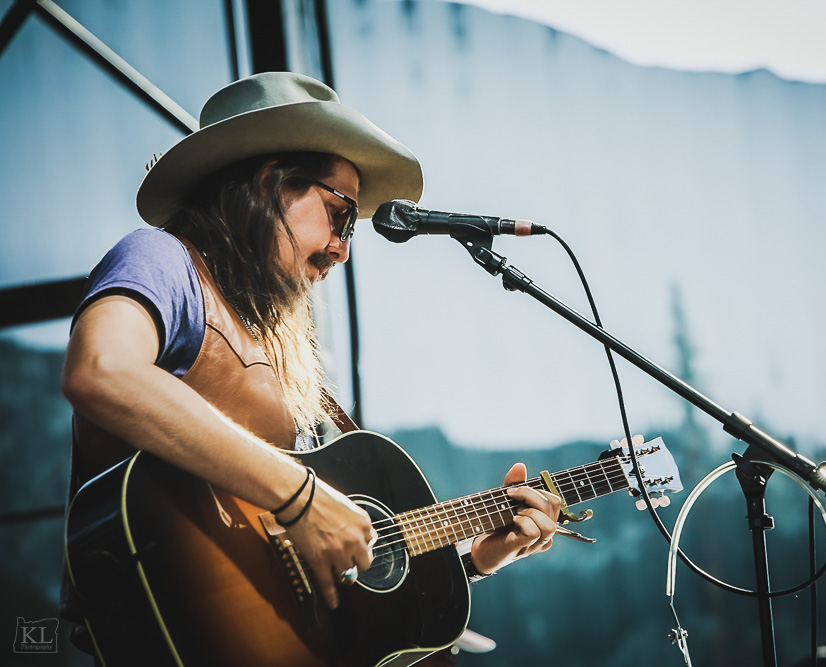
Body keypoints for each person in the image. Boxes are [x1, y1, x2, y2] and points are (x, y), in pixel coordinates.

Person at [61, 71, 561, 655]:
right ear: (272, 183)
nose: (343, 248)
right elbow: (102, 370)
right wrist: (299, 494)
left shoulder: (278, 344)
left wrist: (475, 560)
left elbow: (294, 578)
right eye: (340, 215)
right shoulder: (162, 259)